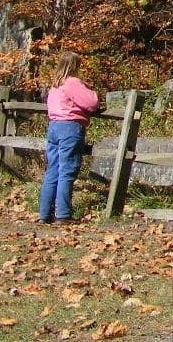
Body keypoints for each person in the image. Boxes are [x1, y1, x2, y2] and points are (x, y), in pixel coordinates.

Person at [39, 51, 102, 224]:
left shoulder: (55, 85)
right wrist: (90, 89)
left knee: (53, 170)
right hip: (69, 127)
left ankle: (45, 213)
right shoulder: (72, 82)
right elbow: (92, 103)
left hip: (54, 126)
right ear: (75, 65)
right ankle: (63, 213)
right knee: (67, 170)